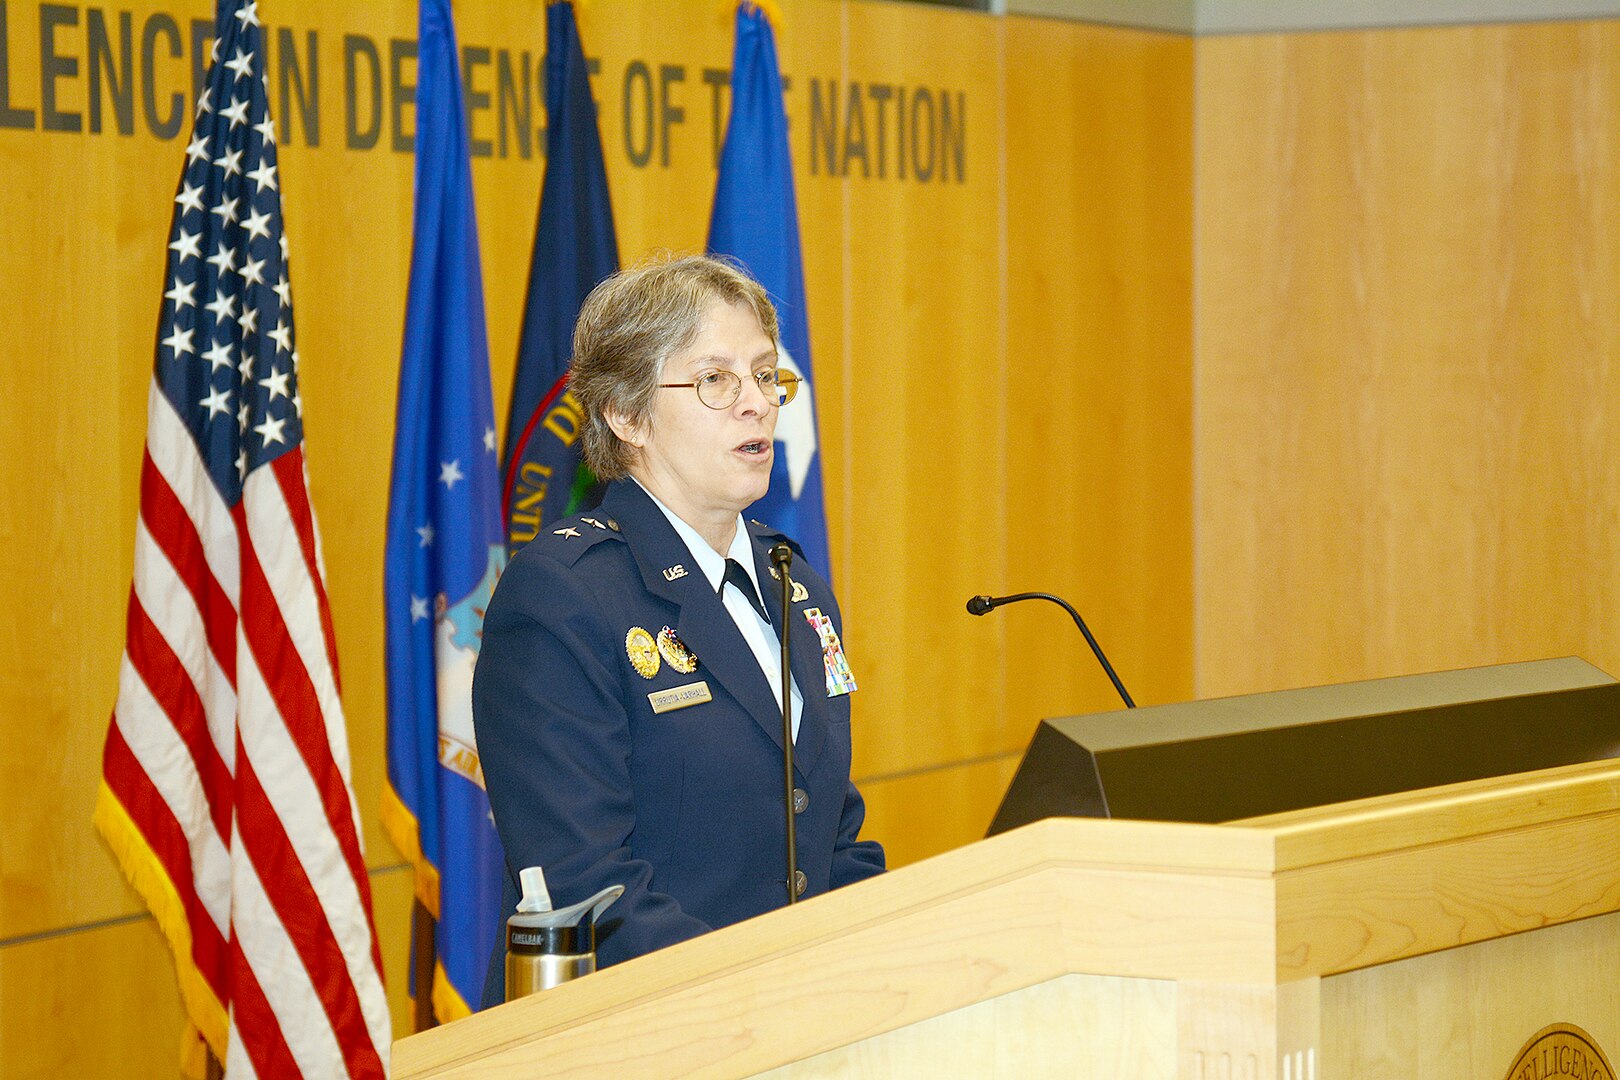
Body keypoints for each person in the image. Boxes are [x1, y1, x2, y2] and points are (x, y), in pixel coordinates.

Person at [473, 253, 885, 1005]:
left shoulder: (796, 588)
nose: (756, 403)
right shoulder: (563, 599)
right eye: (714, 380)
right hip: (639, 1035)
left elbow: (833, 838)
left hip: (800, 1027)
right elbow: (587, 887)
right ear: (624, 415)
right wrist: (775, 994)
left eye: (765, 375)